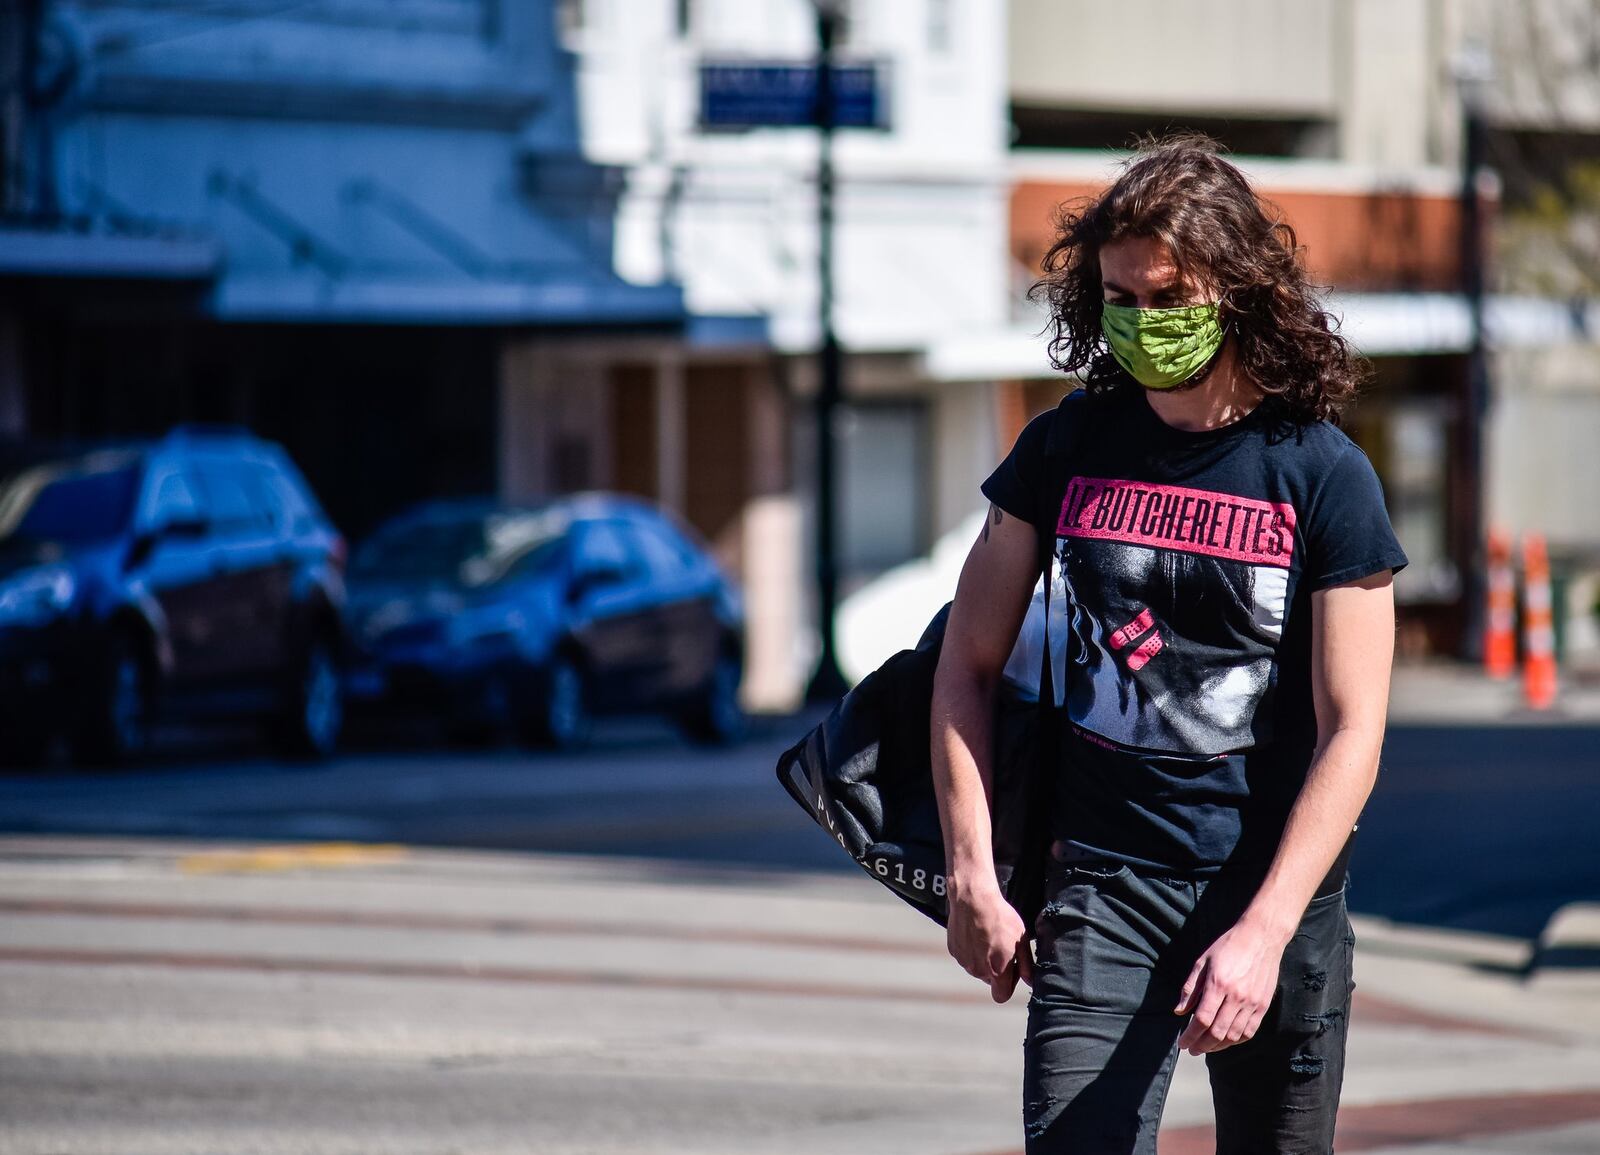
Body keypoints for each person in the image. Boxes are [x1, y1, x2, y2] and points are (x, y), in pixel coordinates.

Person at [930, 135, 1408, 1154]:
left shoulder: (1321, 476)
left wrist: (1266, 930)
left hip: (1274, 891)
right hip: (1102, 885)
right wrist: (971, 873)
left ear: (1236, 292)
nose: (1143, 324)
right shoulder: (1067, 445)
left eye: (1169, 298)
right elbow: (965, 666)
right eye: (1120, 298)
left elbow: (1353, 729)